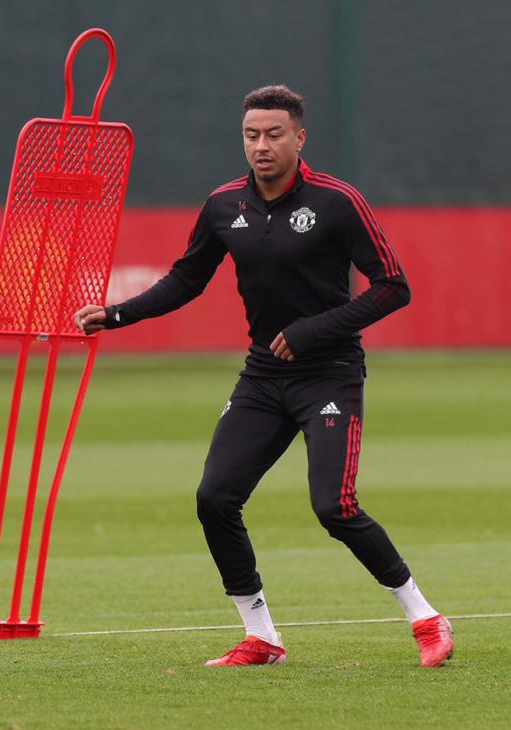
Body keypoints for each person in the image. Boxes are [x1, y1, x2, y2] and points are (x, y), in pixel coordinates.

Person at [73, 85, 453, 669]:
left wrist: (312, 331)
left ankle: (425, 618)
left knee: (334, 507)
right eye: (251, 135)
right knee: (215, 498)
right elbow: (186, 280)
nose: (261, 146)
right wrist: (118, 314)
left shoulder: (337, 201)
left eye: (274, 134)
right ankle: (262, 637)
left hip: (329, 375)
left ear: (300, 138)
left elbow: (392, 287)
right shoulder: (224, 205)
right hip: (263, 376)